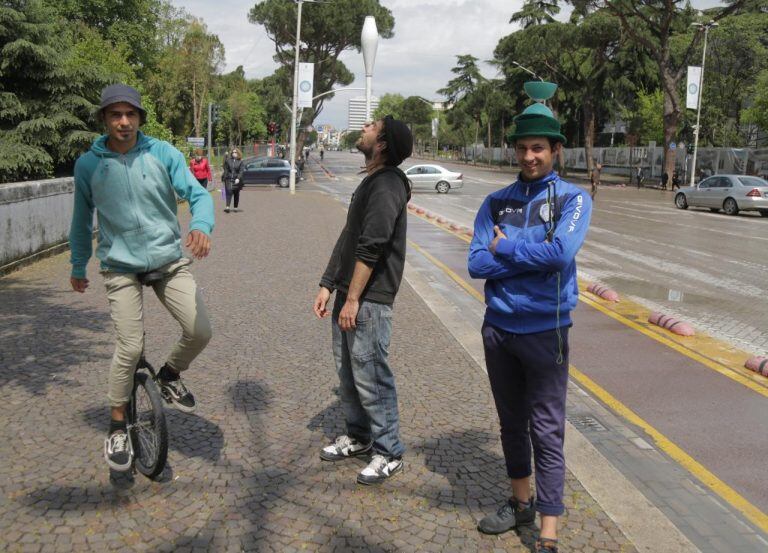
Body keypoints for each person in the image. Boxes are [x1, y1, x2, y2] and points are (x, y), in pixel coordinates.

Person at [68, 84, 214, 472]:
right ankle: (117, 424)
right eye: (115, 114)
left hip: (167, 259)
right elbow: (81, 221)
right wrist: (78, 264)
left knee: (200, 329)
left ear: (140, 118)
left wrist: (201, 224)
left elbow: (198, 195)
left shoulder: (162, 153)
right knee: (130, 348)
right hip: (119, 266)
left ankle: (169, 375)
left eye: (130, 114)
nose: (124, 121)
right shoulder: (88, 166)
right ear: (104, 119)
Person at [468, 101, 592, 553]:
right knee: (511, 423)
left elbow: (560, 255)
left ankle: (548, 530)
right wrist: (528, 254)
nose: (528, 157)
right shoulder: (495, 202)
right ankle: (520, 503)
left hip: (546, 332)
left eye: (537, 148)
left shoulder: (574, 199)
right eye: (521, 148)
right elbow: (476, 262)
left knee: (546, 428)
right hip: (498, 328)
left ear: (555, 150)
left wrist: (509, 245)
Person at [313, 115, 413, 485]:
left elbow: (373, 246)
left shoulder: (388, 185)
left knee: (371, 375)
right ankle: (358, 437)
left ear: (383, 143)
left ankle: (389, 452)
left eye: (372, 125)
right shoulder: (372, 182)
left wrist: (353, 298)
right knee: (349, 374)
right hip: (349, 294)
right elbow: (348, 238)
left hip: (370, 299)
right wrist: (328, 284)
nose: (365, 127)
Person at [222, 147, 244, 213]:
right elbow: (225, 167)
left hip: (236, 179)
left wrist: (238, 178)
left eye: (235, 152)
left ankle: (235, 207)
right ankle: (227, 207)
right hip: (229, 179)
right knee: (229, 192)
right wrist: (224, 178)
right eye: (233, 152)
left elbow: (241, 171)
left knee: (236, 193)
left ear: (238, 153)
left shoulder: (240, 162)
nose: (234, 153)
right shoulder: (228, 160)